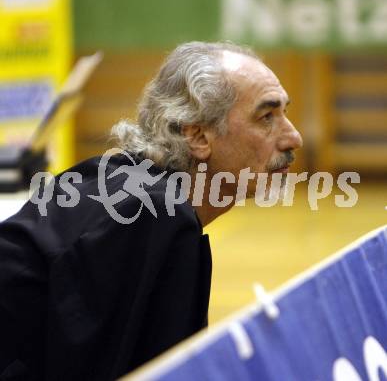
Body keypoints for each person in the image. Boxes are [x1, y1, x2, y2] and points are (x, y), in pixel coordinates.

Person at [0, 42, 302, 381]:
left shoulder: (121, 178)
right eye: (266, 117)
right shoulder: (154, 213)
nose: (294, 138)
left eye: (285, 114)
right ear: (199, 136)